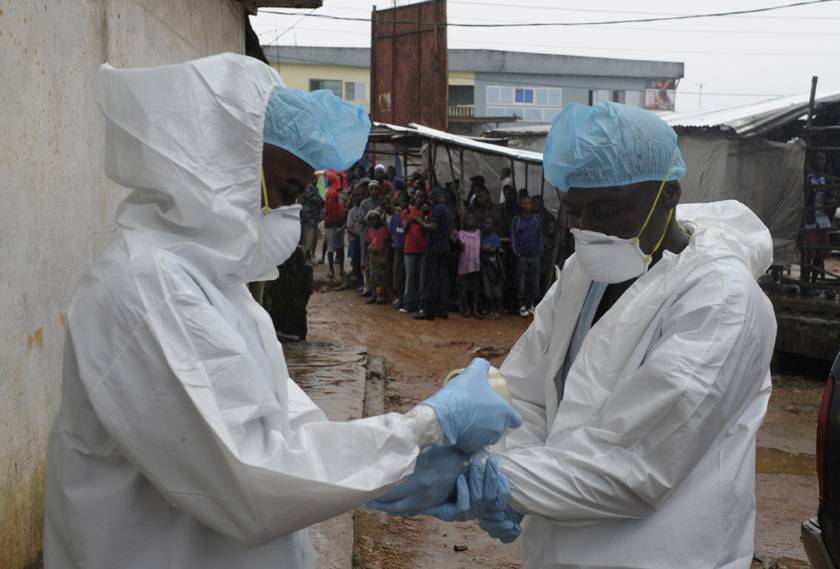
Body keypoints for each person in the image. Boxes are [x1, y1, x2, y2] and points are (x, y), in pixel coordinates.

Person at [45, 54, 523, 569]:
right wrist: (426, 426)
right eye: (290, 190)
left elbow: (290, 429)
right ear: (222, 164)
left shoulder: (218, 287)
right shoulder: (146, 289)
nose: (296, 213)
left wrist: (394, 464)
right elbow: (250, 478)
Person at [372, 101, 777, 569]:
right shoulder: (583, 277)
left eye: (609, 210)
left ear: (669, 194)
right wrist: (484, 450)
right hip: (560, 546)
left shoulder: (722, 301)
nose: (589, 230)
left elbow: (634, 467)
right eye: (576, 210)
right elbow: (530, 397)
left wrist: (492, 477)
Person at [415, 189, 454, 320]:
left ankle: (429, 311)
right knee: (443, 278)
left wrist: (419, 221)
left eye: (431, 198)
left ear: (437, 196)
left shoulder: (437, 209)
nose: (430, 202)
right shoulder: (448, 209)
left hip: (435, 246)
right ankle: (442, 309)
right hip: (444, 246)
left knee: (431, 279)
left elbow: (433, 227)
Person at [511, 195, 543, 317]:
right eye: (525, 203)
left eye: (529, 203)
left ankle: (532, 305)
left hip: (535, 255)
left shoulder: (537, 220)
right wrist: (517, 252)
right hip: (522, 256)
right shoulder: (517, 220)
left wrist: (539, 250)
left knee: (534, 282)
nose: (527, 205)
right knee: (521, 282)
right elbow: (514, 237)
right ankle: (522, 305)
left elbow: (540, 236)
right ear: (521, 205)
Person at [401, 193, 429, 313]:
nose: (420, 199)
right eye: (418, 197)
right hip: (410, 248)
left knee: (423, 278)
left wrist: (421, 217)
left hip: (423, 249)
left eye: (422, 197)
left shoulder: (427, 213)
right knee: (410, 277)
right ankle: (408, 303)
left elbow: (425, 232)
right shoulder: (406, 211)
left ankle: (421, 304)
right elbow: (404, 228)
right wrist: (409, 219)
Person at [456, 213, 482, 318]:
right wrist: (457, 237)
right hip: (464, 263)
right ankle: (466, 309)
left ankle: (474, 309)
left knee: (475, 288)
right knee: (464, 287)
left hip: (476, 264)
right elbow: (462, 247)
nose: (469, 221)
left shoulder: (479, 233)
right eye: (467, 219)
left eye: (471, 219)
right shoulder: (461, 233)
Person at [531, 195, 557, 296]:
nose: (534, 205)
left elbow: (551, 234)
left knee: (543, 276)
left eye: (536, 203)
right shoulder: (532, 216)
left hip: (545, 250)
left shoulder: (548, 217)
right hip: (535, 250)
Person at [480, 218, 504, 320]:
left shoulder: (495, 237)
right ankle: (491, 310)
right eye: (485, 222)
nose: (486, 225)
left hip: (494, 266)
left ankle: (497, 311)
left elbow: (493, 249)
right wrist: (486, 248)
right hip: (484, 264)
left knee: (495, 288)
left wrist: (484, 248)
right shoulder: (481, 236)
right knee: (487, 289)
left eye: (488, 223)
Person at [323, 170, 345, 280]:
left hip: (335, 224)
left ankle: (334, 270)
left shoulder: (332, 192)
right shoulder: (333, 193)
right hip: (335, 224)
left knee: (334, 248)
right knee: (336, 248)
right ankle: (337, 270)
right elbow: (331, 210)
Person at [366, 209, 391, 304]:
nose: (374, 221)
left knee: (382, 277)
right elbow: (368, 243)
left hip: (381, 254)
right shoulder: (370, 230)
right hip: (372, 255)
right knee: (372, 277)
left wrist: (385, 257)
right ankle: (373, 295)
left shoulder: (383, 230)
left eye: (375, 219)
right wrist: (366, 259)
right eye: (371, 219)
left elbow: (387, 244)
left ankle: (381, 296)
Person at [389, 192, 408, 309]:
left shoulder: (409, 215)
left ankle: (404, 298)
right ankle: (398, 297)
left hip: (408, 249)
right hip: (398, 249)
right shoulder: (396, 216)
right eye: (402, 201)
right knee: (397, 273)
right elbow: (391, 231)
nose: (404, 203)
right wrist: (395, 242)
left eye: (405, 201)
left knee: (406, 274)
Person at [298, 175, 323, 262]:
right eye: (315, 179)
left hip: (311, 218)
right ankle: (305, 258)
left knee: (310, 239)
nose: (316, 180)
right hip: (308, 218)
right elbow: (316, 199)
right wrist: (321, 200)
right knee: (307, 239)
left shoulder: (313, 188)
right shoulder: (309, 187)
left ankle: (307, 256)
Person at [345, 191, 365, 288]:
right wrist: (359, 235)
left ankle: (362, 283)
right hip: (355, 240)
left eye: (359, 195)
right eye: (355, 196)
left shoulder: (363, 209)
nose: (357, 198)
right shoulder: (351, 211)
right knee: (355, 261)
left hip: (363, 239)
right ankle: (359, 282)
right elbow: (349, 228)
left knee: (362, 261)